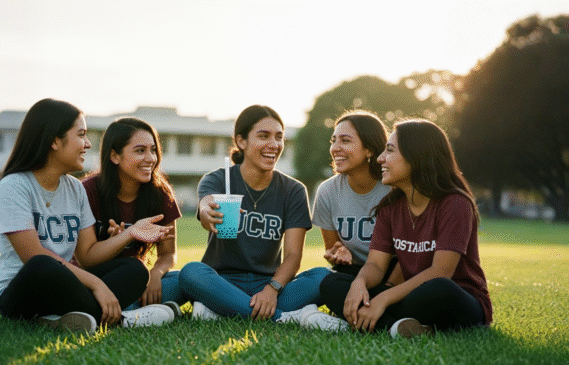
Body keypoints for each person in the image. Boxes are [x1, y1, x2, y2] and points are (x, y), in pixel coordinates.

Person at [0, 98, 175, 333]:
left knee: (135, 268)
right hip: (25, 291)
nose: (87, 144)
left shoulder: (75, 189)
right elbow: (32, 255)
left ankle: (63, 318)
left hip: (67, 287)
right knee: (42, 265)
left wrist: (129, 233)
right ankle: (123, 320)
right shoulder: (14, 186)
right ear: (54, 141)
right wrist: (97, 285)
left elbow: (87, 256)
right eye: (81, 135)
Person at [305, 118, 492, 337]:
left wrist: (383, 298)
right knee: (333, 284)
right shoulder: (390, 206)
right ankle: (400, 328)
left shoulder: (454, 204)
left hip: (453, 296)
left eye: (390, 151)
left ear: (416, 157)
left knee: (439, 288)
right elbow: (375, 264)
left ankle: (368, 322)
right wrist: (360, 282)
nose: (381, 158)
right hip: (408, 296)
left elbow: (441, 272)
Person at [178, 105, 329, 322]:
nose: (274, 144)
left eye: (279, 137)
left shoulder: (293, 190)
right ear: (241, 141)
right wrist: (206, 209)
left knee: (323, 277)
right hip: (221, 281)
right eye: (263, 136)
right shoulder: (219, 179)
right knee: (191, 272)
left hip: (268, 282)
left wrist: (272, 290)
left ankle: (224, 310)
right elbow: (206, 203)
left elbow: (294, 256)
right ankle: (282, 317)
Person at [303, 111, 397, 331]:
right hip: (353, 273)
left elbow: (407, 253)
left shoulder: (393, 188)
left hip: (395, 274)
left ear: (370, 149)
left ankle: (365, 315)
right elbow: (332, 248)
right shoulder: (327, 191)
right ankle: (392, 324)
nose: (336, 148)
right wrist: (340, 254)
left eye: (346, 141)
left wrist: (387, 288)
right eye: (333, 140)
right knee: (328, 283)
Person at [80, 117, 183, 315]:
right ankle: (138, 313)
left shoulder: (160, 193)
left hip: (139, 280)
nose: (151, 158)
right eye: (140, 150)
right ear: (114, 156)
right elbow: (85, 261)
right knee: (135, 269)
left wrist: (155, 274)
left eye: (153, 150)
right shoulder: (88, 191)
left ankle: (129, 311)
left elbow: (168, 254)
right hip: (97, 281)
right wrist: (120, 239)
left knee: (185, 278)